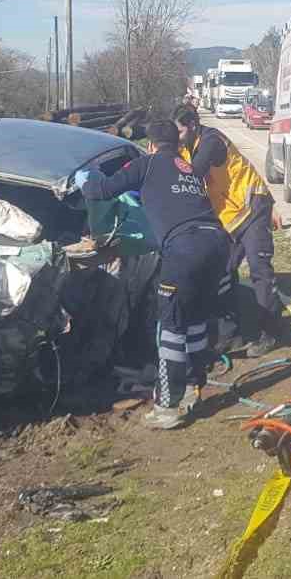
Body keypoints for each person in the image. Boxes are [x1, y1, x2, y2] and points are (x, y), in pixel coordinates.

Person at [77, 120, 230, 429]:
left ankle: (168, 406)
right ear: (177, 143)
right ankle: (191, 388)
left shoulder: (146, 164)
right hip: (217, 242)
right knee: (196, 321)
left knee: (171, 327)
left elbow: (102, 190)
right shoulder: (186, 167)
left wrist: (86, 178)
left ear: (150, 145)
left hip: (184, 247)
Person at [172, 105, 284, 357]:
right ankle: (230, 335)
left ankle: (272, 332)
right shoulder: (186, 145)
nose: (177, 136)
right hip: (229, 217)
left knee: (259, 268)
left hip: (252, 205)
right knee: (223, 273)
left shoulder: (211, 141)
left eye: (179, 131)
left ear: (191, 126)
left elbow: (194, 174)